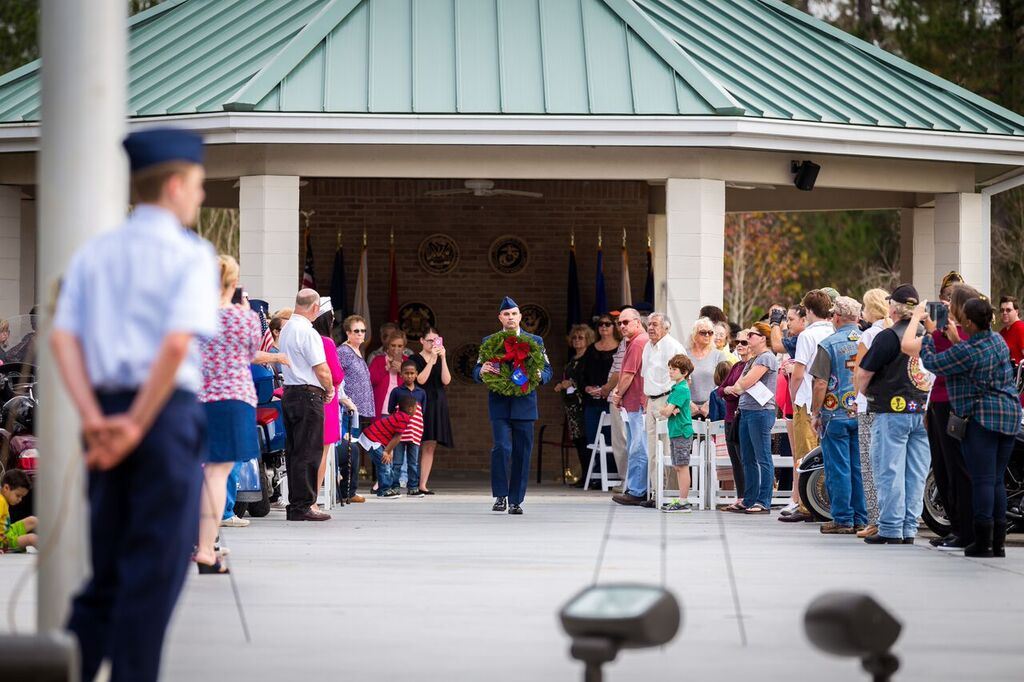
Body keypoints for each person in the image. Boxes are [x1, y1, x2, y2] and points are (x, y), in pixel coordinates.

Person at [52, 128, 219, 682]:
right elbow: (176, 344)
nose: (200, 196)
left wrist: (98, 420)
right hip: (162, 414)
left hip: (103, 409)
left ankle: (72, 669)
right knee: (157, 564)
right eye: (197, 185)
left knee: (108, 563)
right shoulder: (191, 254)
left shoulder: (96, 252)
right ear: (174, 185)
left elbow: (62, 340)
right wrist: (137, 425)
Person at [908, 292, 1022, 558]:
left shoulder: (966, 351)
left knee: (981, 480)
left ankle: (982, 542)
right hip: (1009, 415)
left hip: (982, 418)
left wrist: (928, 337)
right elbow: (968, 354)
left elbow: (933, 362)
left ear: (969, 322)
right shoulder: (997, 342)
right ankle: (998, 542)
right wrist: (956, 339)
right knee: (995, 481)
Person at [195, 255, 278, 570]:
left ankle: (198, 539)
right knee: (218, 473)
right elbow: (250, 353)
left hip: (196, 397)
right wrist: (245, 313)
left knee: (200, 470)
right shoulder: (242, 318)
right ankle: (206, 547)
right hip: (232, 398)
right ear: (232, 283)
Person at [855, 284, 932, 545]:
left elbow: (865, 372)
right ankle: (909, 527)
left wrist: (863, 396)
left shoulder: (888, 336)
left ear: (893, 308)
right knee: (916, 472)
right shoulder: (927, 336)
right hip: (922, 410)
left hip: (891, 409)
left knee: (889, 471)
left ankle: (890, 527)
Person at [474, 297, 552, 514]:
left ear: (520, 317)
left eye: (514, 314)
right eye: (506, 314)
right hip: (500, 405)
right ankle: (501, 496)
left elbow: (547, 370)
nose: (510, 317)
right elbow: (478, 369)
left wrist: (538, 375)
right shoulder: (490, 341)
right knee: (501, 448)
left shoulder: (535, 341)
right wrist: (481, 372)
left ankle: (516, 500)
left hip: (525, 405)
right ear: (500, 317)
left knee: (522, 452)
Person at [808, 296, 868, 534]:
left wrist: (815, 412)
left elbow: (820, 383)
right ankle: (861, 517)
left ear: (838, 317)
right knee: (859, 467)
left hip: (835, 413)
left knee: (838, 468)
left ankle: (843, 518)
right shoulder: (868, 340)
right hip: (862, 410)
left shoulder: (829, 344)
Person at [920, 280, 971, 549]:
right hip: (937, 402)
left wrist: (929, 330)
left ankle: (964, 528)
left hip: (953, 404)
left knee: (955, 467)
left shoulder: (962, 335)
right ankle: (955, 525)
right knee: (941, 467)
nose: (946, 305)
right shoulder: (943, 333)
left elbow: (922, 353)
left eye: (951, 301)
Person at [278, 290, 336, 521]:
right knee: (309, 451)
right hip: (308, 395)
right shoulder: (307, 332)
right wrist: (330, 389)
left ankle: (295, 504)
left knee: (294, 451)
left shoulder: (287, 329)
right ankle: (304, 505)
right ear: (314, 309)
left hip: (290, 392)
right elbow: (321, 368)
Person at [780, 290, 834, 523]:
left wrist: (793, 396)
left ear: (809, 311)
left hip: (806, 398)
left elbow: (799, 372)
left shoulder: (807, 336)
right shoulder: (834, 331)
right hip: (832, 400)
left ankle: (805, 504)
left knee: (804, 454)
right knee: (827, 454)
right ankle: (824, 501)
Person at [723, 322, 778, 514]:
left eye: (752, 335)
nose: (748, 339)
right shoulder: (753, 359)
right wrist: (735, 387)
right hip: (746, 410)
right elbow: (737, 384)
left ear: (763, 338)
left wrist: (735, 388)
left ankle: (763, 500)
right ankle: (749, 498)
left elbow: (744, 383)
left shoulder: (767, 358)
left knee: (762, 456)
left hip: (760, 411)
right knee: (747, 457)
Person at [852, 288, 891, 539]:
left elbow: (860, 372)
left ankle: (874, 519)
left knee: (869, 464)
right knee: (888, 464)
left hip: (869, 403)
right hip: (890, 403)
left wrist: (857, 398)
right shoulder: (893, 332)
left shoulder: (869, 335)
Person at [641, 312, 684, 505]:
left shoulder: (673, 346)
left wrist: (673, 403)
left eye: (655, 324)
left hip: (668, 400)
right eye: (649, 324)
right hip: (651, 401)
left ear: (666, 327)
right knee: (652, 449)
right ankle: (656, 493)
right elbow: (646, 376)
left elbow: (684, 378)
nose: (650, 328)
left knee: (667, 448)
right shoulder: (647, 347)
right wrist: (646, 402)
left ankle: (670, 494)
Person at [610, 308, 650, 506]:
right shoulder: (635, 342)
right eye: (620, 323)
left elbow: (628, 374)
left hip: (637, 403)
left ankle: (637, 490)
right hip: (634, 403)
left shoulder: (638, 342)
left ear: (637, 322)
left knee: (638, 447)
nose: (622, 326)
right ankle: (635, 488)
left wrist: (616, 395)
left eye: (626, 322)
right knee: (635, 445)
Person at [312, 297, 345, 511]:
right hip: (326, 399)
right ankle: (313, 500)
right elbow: (337, 374)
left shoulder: (307, 337)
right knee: (321, 453)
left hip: (306, 396)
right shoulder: (326, 341)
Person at [412, 327, 454, 494]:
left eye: (436, 340)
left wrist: (442, 358)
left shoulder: (440, 357)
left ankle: (423, 484)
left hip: (437, 402)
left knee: (430, 444)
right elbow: (420, 379)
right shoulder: (415, 358)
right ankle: (410, 481)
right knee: (414, 442)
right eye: (429, 340)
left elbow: (446, 380)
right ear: (422, 341)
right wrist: (431, 359)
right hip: (421, 401)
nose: (432, 343)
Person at [337, 314, 374, 503]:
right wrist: (344, 400)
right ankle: (346, 491)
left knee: (353, 447)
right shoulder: (343, 351)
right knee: (347, 448)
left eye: (363, 331)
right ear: (348, 332)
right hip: (346, 410)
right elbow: (337, 379)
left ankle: (349, 490)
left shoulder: (359, 351)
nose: (360, 334)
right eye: (356, 331)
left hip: (357, 411)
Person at [554, 324, 594, 485]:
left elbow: (587, 379)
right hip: (572, 407)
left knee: (585, 440)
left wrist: (570, 383)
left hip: (583, 405)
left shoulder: (588, 358)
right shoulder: (573, 358)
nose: (577, 340)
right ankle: (584, 475)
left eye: (581, 337)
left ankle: (588, 476)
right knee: (577, 440)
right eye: (574, 337)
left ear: (588, 340)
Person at [582, 314, 620, 476]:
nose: (603, 327)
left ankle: (613, 473)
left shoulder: (620, 347)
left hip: (611, 398)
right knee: (592, 437)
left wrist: (607, 389)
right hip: (592, 400)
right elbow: (582, 372)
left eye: (608, 324)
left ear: (614, 327)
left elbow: (621, 373)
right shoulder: (591, 348)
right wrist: (586, 387)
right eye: (600, 325)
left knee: (612, 437)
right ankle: (596, 474)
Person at [358, 396, 417, 499]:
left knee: (386, 464)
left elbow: (392, 435)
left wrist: (388, 450)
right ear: (411, 409)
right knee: (384, 464)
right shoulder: (404, 418)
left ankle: (386, 488)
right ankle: (384, 491)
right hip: (373, 439)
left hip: (374, 438)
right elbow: (397, 437)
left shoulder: (400, 415)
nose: (417, 410)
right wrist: (386, 451)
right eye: (416, 407)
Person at [717, 329, 750, 499]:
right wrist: (729, 390)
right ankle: (740, 497)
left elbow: (740, 391)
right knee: (735, 461)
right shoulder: (736, 365)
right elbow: (721, 390)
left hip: (742, 417)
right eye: (737, 342)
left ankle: (749, 497)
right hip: (730, 418)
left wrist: (729, 391)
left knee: (745, 459)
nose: (740, 345)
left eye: (744, 342)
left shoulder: (752, 366)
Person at [659, 354, 695, 512]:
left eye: (674, 369)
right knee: (678, 465)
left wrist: (668, 409)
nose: (670, 372)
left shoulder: (680, 389)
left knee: (682, 465)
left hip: (681, 431)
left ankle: (684, 500)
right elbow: (666, 409)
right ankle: (682, 499)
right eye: (670, 369)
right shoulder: (676, 388)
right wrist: (668, 409)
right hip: (676, 431)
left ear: (684, 372)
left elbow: (665, 411)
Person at [388, 360, 427, 497]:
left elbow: (423, 412)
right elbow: (390, 410)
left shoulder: (421, 393)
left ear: (416, 374)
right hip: (399, 433)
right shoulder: (397, 392)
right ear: (401, 374)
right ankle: (394, 487)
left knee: (413, 463)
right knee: (397, 462)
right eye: (406, 373)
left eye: (412, 373)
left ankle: (413, 487)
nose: (409, 376)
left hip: (415, 433)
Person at [685, 317, 728, 420]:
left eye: (710, 332)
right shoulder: (685, 354)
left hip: (712, 407)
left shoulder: (719, 355)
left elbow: (724, 382)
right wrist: (688, 403)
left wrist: (709, 404)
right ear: (694, 335)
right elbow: (678, 381)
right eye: (703, 332)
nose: (707, 335)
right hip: (688, 408)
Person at [369, 329, 407, 423]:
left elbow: (413, 384)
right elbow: (371, 381)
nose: (396, 349)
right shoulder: (378, 360)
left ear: (404, 348)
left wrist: (401, 371)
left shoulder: (407, 361)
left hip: (401, 408)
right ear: (387, 346)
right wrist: (386, 368)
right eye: (393, 345)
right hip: (383, 408)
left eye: (400, 346)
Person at [1, 470, 36, 552]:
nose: (20, 500)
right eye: (18, 495)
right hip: (4, 542)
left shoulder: (3, 500)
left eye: (22, 497)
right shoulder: (1, 502)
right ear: (6, 488)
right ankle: (54, 554)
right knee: (31, 538)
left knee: (33, 520)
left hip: (8, 530)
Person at [998, 295, 1024, 366]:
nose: (1004, 313)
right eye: (1002, 310)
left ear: (1016, 311)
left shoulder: (1021, 329)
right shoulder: (1002, 332)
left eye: (1008, 310)